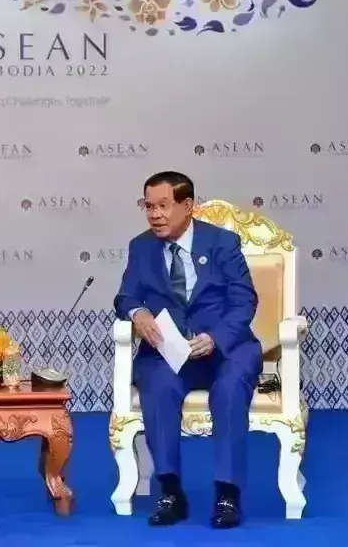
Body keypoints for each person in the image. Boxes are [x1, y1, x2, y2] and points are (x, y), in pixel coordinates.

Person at [114, 171, 260, 529]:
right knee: (158, 386)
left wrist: (216, 337)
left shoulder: (222, 243)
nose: (155, 215)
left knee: (229, 391)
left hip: (225, 348)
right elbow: (125, 296)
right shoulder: (141, 247)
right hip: (169, 350)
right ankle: (170, 491)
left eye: (163, 206)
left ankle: (227, 494)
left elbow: (244, 301)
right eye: (149, 206)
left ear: (187, 205)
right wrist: (138, 313)